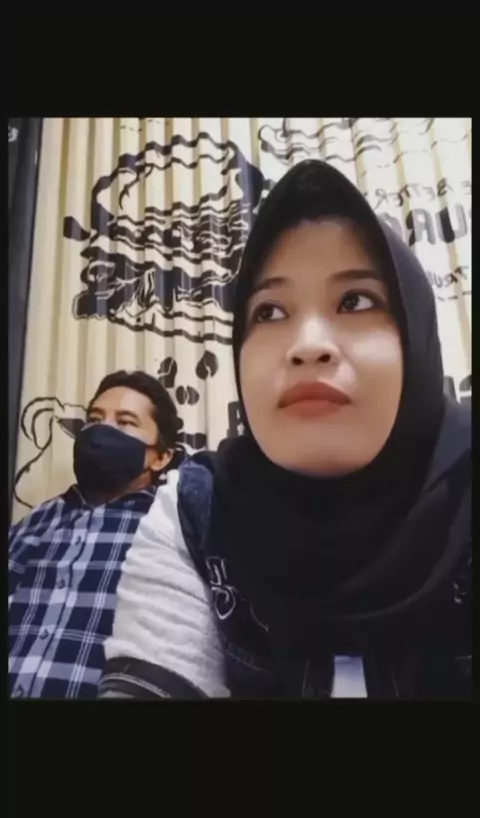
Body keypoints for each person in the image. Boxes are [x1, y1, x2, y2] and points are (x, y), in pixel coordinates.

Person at [99, 160, 471, 700]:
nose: (307, 344)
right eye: (270, 311)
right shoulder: (196, 512)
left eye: (356, 301)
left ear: (416, 336)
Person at [9, 370, 183, 698]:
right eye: (94, 419)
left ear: (161, 457)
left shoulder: (173, 528)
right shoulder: (36, 521)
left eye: (125, 422)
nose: (102, 431)